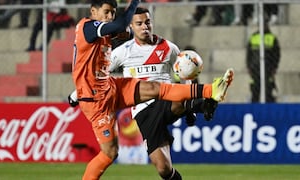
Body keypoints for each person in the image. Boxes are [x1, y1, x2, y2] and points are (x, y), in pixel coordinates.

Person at [70, 0, 234, 179]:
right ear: (93, 11)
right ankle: (199, 103)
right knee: (119, 156)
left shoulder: (168, 47)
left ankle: (210, 91)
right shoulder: (89, 28)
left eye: (113, 13)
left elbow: (95, 66)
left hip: (113, 88)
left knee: (159, 88)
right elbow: (88, 70)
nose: (110, 17)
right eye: (107, 12)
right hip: (102, 103)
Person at [246, 21, 280, 102]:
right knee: (255, 92)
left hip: (268, 69)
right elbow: (249, 54)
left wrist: (274, 67)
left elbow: (276, 54)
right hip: (255, 69)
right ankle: (254, 111)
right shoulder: (253, 37)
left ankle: (270, 111)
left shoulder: (272, 38)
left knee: (268, 92)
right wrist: (249, 67)